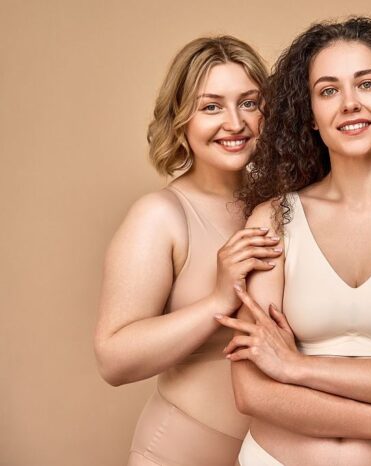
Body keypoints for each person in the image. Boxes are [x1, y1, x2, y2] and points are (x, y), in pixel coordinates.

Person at [214, 17, 371, 466]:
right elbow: (251, 391)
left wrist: (296, 367)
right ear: (310, 115)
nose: (350, 104)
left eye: (366, 84)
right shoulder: (273, 218)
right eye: (329, 91)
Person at [93, 36, 280, 465]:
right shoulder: (160, 216)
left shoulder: (280, 206)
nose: (234, 123)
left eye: (249, 103)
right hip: (178, 452)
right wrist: (218, 299)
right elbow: (113, 359)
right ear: (181, 120)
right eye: (211, 106)